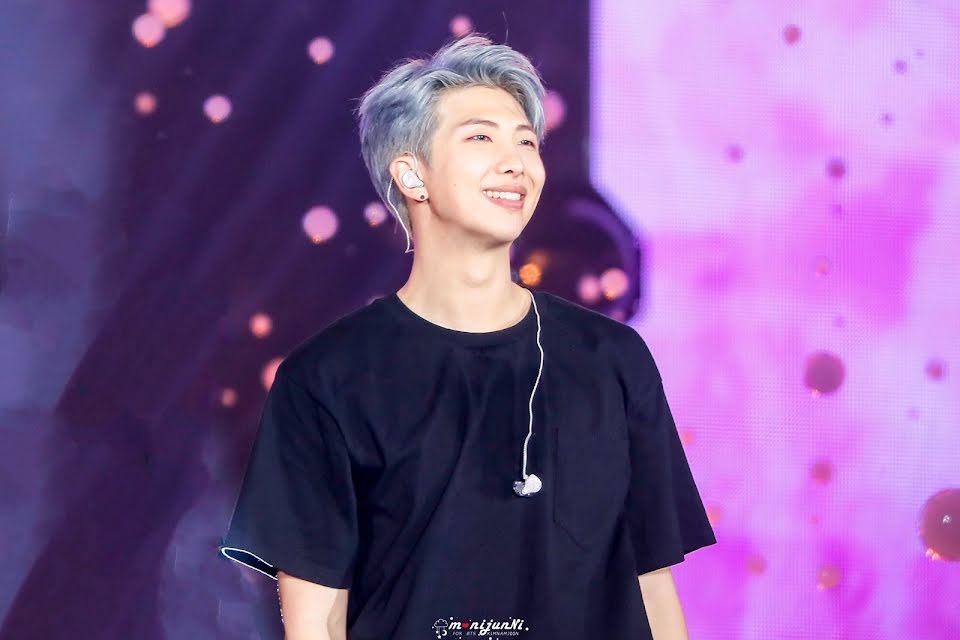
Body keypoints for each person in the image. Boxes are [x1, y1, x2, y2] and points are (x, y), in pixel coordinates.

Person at [219, 34, 716, 640]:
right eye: (481, 138)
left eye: (525, 142)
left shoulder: (614, 362)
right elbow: (315, 615)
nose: (515, 162)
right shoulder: (327, 377)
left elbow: (652, 587)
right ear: (412, 174)